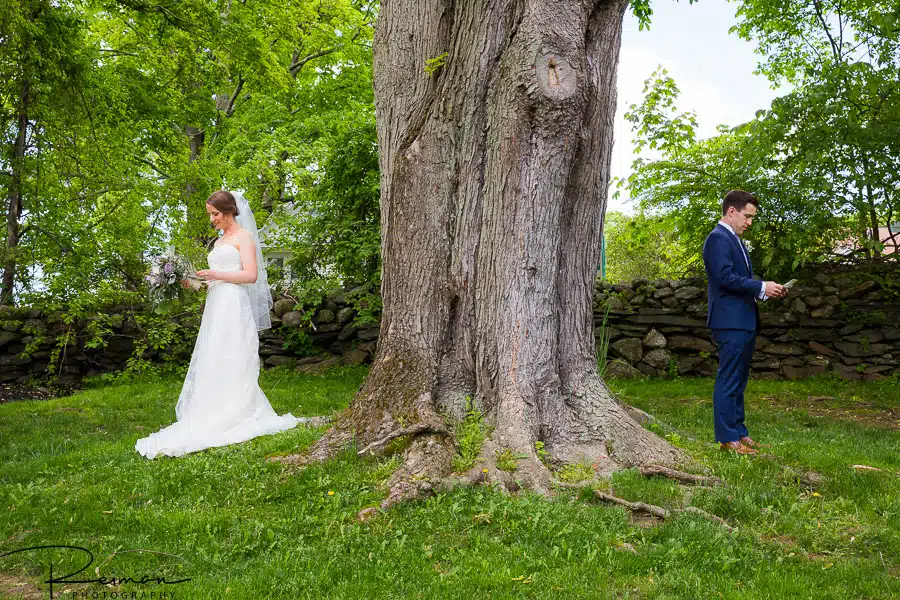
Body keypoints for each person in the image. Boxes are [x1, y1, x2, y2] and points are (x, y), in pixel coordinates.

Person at [135, 190, 299, 459]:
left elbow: (250, 274)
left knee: (234, 353)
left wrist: (216, 274)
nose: (212, 220)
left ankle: (237, 410)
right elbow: (219, 278)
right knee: (214, 354)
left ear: (229, 211)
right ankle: (211, 409)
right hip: (216, 303)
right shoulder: (220, 241)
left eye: (215, 214)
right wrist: (196, 282)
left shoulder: (244, 238)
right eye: (211, 215)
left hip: (234, 304)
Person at [702, 190, 786, 455]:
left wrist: (765, 290)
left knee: (738, 380)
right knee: (729, 379)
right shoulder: (717, 239)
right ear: (732, 212)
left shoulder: (733, 239)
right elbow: (725, 278)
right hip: (730, 322)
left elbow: (738, 279)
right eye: (747, 216)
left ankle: (740, 432)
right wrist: (761, 286)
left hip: (742, 320)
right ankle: (728, 439)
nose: (749, 222)